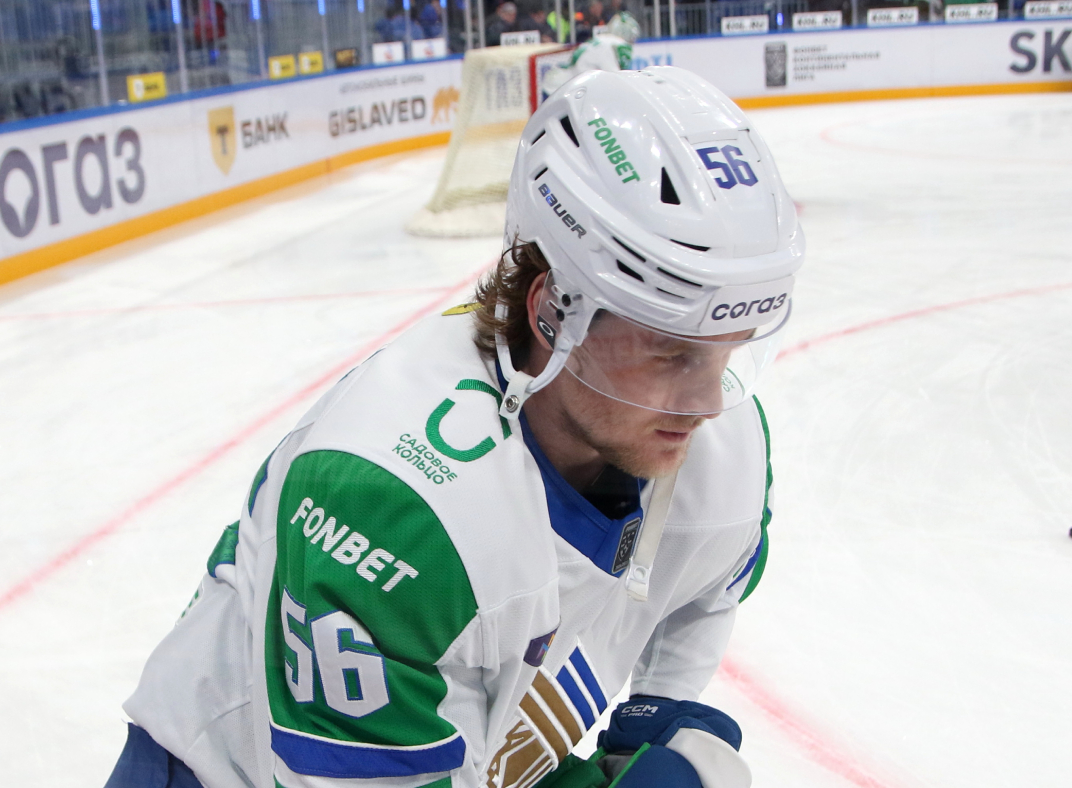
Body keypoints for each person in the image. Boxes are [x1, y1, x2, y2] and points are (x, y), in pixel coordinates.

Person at [106, 66, 804, 788]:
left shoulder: (721, 447)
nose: (708, 402)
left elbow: (709, 579)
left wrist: (660, 703)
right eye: (669, 353)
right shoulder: (394, 504)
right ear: (553, 311)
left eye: (727, 350)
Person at [538, 12, 637, 97]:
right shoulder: (613, 44)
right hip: (561, 90)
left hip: (557, 85)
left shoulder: (601, 39)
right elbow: (615, 79)